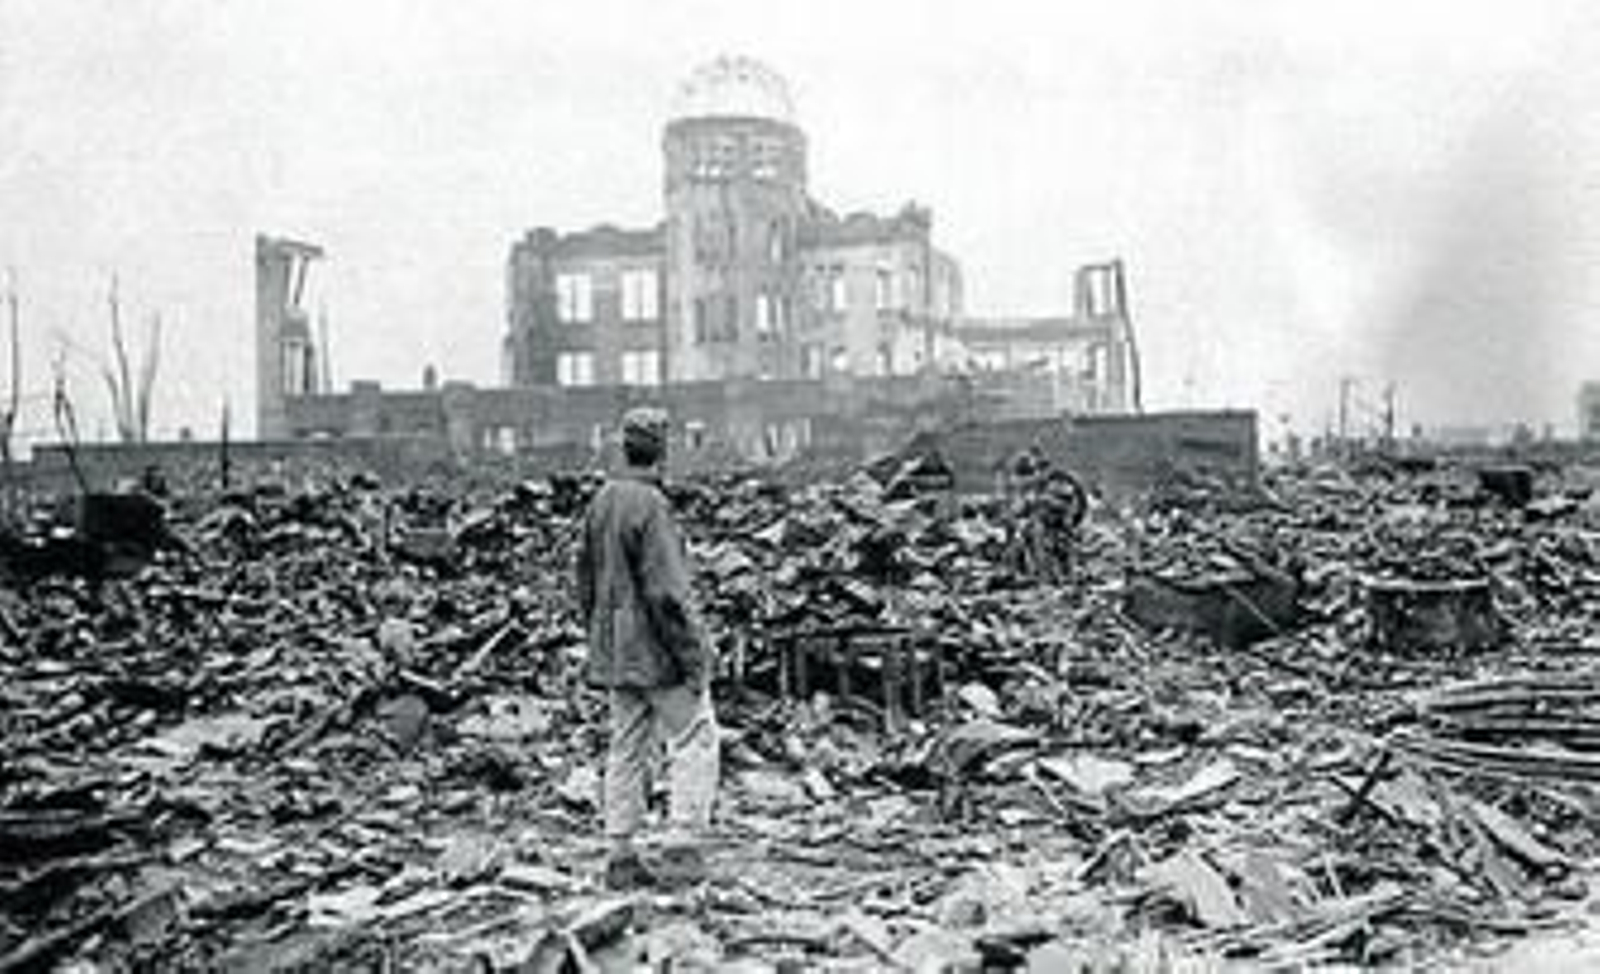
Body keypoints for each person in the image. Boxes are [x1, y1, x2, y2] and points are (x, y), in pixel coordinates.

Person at [576, 406, 718, 889]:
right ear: (661, 451)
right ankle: (682, 846)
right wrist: (694, 657)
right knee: (695, 737)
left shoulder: (601, 501)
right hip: (656, 650)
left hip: (614, 648)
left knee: (627, 745)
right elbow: (668, 594)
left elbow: (586, 582)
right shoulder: (651, 505)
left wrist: (599, 638)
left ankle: (620, 853)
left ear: (623, 447)